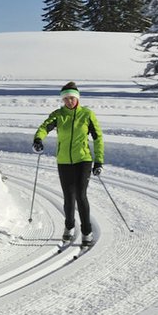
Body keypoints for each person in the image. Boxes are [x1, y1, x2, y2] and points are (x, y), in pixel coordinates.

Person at [32, 81, 104, 248]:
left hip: (83, 160)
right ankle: (69, 226)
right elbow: (44, 127)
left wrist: (99, 160)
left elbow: (98, 138)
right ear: (63, 100)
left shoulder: (87, 114)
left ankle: (87, 231)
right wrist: (38, 139)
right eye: (66, 99)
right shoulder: (58, 115)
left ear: (77, 98)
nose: (69, 101)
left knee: (81, 195)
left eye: (72, 98)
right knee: (68, 197)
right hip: (64, 161)